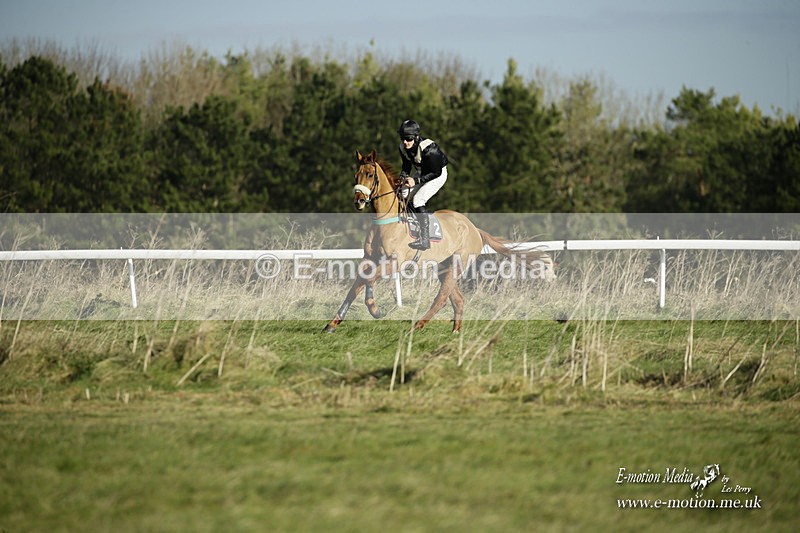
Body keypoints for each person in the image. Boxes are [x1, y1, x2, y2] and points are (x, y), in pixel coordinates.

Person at [397, 119, 449, 250]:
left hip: (438, 174)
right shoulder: (403, 147)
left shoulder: (429, 148)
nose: (405, 142)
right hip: (422, 172)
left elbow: (435, 172)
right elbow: (407, 165)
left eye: (408, 138)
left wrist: (416, 181)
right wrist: (403, 176)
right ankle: (414, 223)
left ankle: (425, 239)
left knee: (418, 199)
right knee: (403, 193)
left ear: (416, 137)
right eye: (403, 138)